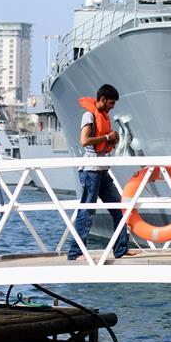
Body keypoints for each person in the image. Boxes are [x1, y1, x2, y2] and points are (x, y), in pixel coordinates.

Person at [67, 84, 139, 261]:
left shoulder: (104, 116)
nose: (113, 106)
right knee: (87, 212)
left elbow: (102, 144)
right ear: (103, 100)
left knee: (118, 209)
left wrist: (112, 140)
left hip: (103, 170)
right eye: (112, 103)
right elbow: (84, 141)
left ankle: (121, 248)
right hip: (90, 171)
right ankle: (76, 252)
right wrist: (107, 137)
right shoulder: (89, 115)